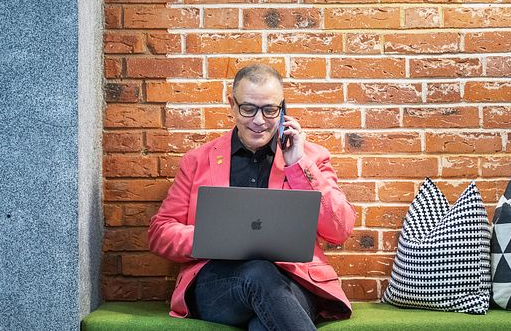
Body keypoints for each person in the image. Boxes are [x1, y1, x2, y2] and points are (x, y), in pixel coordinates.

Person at [148, 64, 356, 330]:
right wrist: (212, 237)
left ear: (283, 109)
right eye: (248, 109)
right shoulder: (197, 161)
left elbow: (339, 230)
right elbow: (159, 232)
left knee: (262, 324)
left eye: (270, 110)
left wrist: (298, 165)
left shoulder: (311, 158)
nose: (259, 121)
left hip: (291, 282)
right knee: (257, 272)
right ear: (232, 105)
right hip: (219, 284)